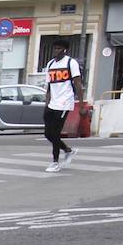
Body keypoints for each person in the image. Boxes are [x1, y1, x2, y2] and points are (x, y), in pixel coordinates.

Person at [43, 39, 82, 173]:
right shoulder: (50, 64)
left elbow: (78, 84)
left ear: (65, 50)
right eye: (55, 48)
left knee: (55, 133)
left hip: (65, 103)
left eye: (59, 49)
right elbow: (49, 86)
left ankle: (55, 162)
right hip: (52, 103)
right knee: (48, 134)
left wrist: (81, 105)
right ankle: (67, 150)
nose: (56, 51)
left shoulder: (71, 63)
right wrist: (46, 103)